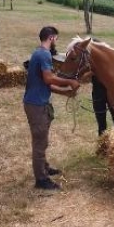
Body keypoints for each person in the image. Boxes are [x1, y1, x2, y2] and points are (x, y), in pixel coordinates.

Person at [24, 26, 81, 190]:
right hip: (36, 106)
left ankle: (44, 167)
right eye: (56, 38)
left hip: (38, 103)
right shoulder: (44, 54)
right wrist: (69, 82)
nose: (56, 41)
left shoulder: (39, 53)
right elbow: (49, 79)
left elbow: (45, 84)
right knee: (39, 142)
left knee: (42, 140)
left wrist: (66, 93)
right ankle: (41, 179)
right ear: (51, 38)